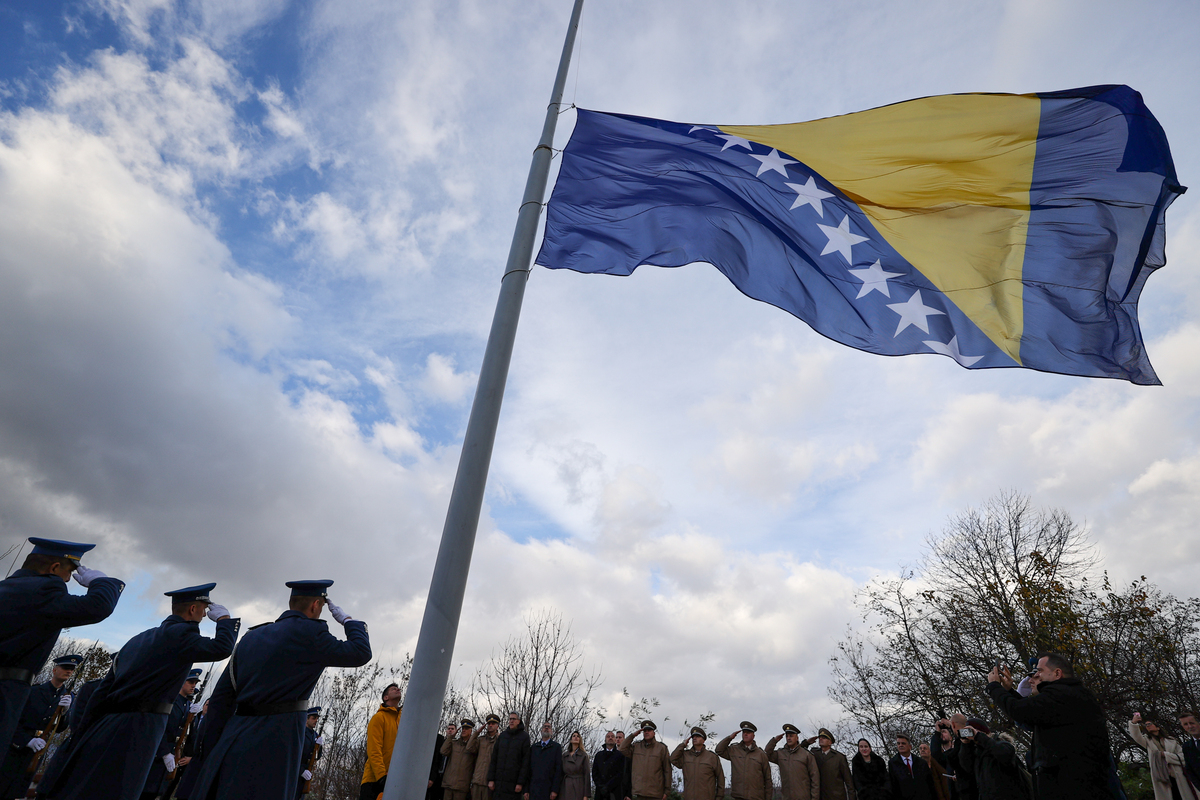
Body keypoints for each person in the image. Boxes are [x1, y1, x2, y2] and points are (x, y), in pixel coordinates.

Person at [46, 582, 238, 800]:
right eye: (203, 610)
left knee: (94, 784)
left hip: (108, 723)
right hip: (143, 724)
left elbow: (103, 691)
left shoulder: (138, 639)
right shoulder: (181, 636)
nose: (204, 615)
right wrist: (224, 621)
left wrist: (84, 733)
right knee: (123, 787)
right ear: (193, 610)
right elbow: (222, 648)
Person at [189, 579, 371, 800]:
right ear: (315, 605)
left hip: (235, 734)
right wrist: (350, 622)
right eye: (321, 607)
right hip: (279, 738)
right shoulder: (313, 634)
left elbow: (222, 698)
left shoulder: (251, 637)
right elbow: (360, 652)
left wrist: (209, 750)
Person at [0, 539, 123, 749]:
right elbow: (97, 607)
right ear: (55, 568)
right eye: (68, 573)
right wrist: (102, 582)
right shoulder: (44, 589)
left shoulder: (6, 587)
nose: (67, 580)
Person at [986, 653, 1118, 800]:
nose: (1035, 677)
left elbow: (1021, 711)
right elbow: (1032, 717)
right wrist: (1008, 691)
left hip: (1074, 785)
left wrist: (994, 687)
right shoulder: (1069, 694)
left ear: (1057, 673)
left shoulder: (1062, 695)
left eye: (1039, 671)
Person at [0, 654, 79, 800]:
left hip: (37, 751)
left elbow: (60, 728)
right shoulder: (33, 691)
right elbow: (13, 720)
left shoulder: (68, 697)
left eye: (72, 669)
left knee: (18, 791)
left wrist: (65, 712)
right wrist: (26, 741)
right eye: (65, 668)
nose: (69, 671)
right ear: (54, 670)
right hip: (15, 747)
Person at [138, 668, 202, 800]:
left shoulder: (188, 706)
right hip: (156, 756)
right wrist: (165, 752)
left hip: (169, 761)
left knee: (155, 794)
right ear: (182, 681)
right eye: (190, 682)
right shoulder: (169, 701)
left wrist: (193, 717)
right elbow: (158, 729)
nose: (193, 685)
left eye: (195, 682)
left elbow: (189, 735)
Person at [1128, 713, 1199, 800]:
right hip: (1161, 775)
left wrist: (1165, 755)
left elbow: (1183, 758)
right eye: (1146, 725)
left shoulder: (1171, 741)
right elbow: (1136, 736)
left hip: (1179, 775)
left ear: (1157, 727)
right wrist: (1134, 723)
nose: (1148, 726)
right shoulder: (1147, 741)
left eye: (1150, 724)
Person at [954, 721, 1028, 800]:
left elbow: (1005, 755)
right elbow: (967, 766)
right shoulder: (978, 755)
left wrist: (978, 736)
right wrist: (966, 745)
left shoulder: (1000, 743)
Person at [360, 683, 402, 799]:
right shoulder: (378, 718)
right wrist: (382, 776)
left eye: (398, 689)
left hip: (395, 780)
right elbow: (374, 749)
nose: (398, 689)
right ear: (385, 697)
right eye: (393, 689)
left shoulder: (404, 719)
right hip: (374, 780)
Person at [716, 722, 772, 800]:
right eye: (744, 732)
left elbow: (768, 779)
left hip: (756, 797)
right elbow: (719, 750)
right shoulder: (734, 750)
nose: (745, 734)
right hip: (738, 796)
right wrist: (729, 738)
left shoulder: (760, 754)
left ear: (753, 736)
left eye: (748, 733)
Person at [618, 720, 670, 800]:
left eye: (649, 730)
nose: (646, 732)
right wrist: (632, 735)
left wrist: (667, 791)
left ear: (654, 733)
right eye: (644, 731)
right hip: (639, 793)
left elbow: (667, 770)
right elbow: (622, 749)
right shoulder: (636, 747)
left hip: (656, 793)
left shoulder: (661, 748)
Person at [766, 723, 819, 800]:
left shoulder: (806, 755)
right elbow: (766, 755)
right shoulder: (781, 753)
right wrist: (774, 741)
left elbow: (815, 779)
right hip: (786, 797)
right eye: (787, 736)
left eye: (791, 736)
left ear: (797, 738)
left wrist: (814, 798)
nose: (788, 738)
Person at [671, 726, 724, 800]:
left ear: (703, 740)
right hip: (689, 797)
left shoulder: (712, 757)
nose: (694, 738)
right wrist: (682, 745)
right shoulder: (686, 755)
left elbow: (720, 778)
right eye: (693, 737)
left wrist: (719, 797)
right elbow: (673, 759)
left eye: (698, 736)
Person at [489, 712, 531, 800]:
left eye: (514, 719)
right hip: (498, 782)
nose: (511, 721)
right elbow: (494, 758)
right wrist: (491, 779)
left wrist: (520, 783)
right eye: (510, 719)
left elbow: (525, 762)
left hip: (513, 784)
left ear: (518, 721)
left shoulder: (524, 737)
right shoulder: (503, 736)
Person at [808, 729, 857, 800]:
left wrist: (852, 798)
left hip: (836, 796)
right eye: (820, 737)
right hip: (820, 796)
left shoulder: (839, 757)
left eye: (824, 738)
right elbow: (799, 753)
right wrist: (806, 743)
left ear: (830, 742)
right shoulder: (814, 754)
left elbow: (848, 781)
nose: (821, 739)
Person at [888, 734, 936, 800]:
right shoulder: (893, 763)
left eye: (903, 743)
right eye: (898, 743)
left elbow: (930, 783)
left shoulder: (921, 762)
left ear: (910, 746)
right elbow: (893, 785)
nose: (900, 745)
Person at [467, 713, 502, 800]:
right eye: (489, 723)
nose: (490, 725)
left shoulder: (500, 741)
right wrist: (477, 732)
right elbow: (469, 748)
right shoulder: (481, 739)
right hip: (477, 781)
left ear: (497, 726)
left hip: (489, 782)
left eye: (493, 724)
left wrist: (501, 739)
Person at [443, 720, 478, 800]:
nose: (464, 730)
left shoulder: (473, 746)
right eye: (463, 728)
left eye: (466, 728)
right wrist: (451, 737)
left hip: (462, 786)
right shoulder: (454, 743)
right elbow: (443, 751)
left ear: (471, 730)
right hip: (449, 783)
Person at [528, 721, 564, 800]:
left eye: (549, 727)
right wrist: (526, 790)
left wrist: (555, 790)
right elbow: (528, 769)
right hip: (534, 790)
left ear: (551, 731)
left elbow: (558, 770)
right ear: (541, 730)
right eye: (545, 727)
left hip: (548, 790)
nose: (546, 728)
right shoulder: (534, 748)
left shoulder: (556, 747)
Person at [297, 706, 323, 799]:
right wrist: (301, 771)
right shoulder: (300, 733)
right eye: (313, 718)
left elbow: (317, 756)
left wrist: (319, 747)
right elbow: (294, 756)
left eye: (317, 718)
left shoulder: (315, 735)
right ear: (306, 719)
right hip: (296, 772)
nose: (316, 720)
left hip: (307, 773)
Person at [592, 731, 625, 800]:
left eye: (612, 736)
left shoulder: (620, 755)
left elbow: (621, 773)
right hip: (600, 791)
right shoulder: (599, 755)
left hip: (615, 792)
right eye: (608, 736)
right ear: (605, 740)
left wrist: (608, 786)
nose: (610, 738)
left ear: (615, 740)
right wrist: (601, 786)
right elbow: (595, 773)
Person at [561, 730, 590, 800]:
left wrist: (586, 795)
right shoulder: (565, 755)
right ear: (571, 740)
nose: (576, 737)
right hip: (566, 786)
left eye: (578, 736)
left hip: (578, 786)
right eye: (574, 736)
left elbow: (587, 775)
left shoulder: (583, 755)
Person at [1178, 712, 1200, 789]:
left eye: (1192, 723)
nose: (1190, 726)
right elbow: (1189, 770)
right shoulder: (1186, 747)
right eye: (1186, 724)